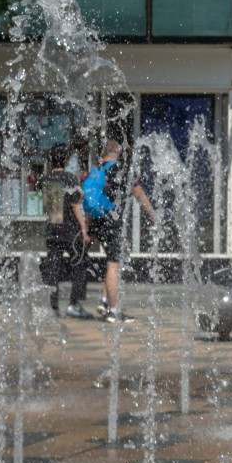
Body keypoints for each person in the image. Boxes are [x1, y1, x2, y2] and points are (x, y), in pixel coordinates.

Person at [86, 138, 156, 324]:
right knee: (113, 266)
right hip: (113, 223)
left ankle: (104, 301)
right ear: (116, 151)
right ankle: (114, 311)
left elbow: (89, 200)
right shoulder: (121, 170)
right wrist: (153, 216)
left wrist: (88, 228)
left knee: (112, 262)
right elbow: (139, 193)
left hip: (98, 222)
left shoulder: (97, 171)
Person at [40, 143, 93, 318]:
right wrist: (84, 228)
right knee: (80, 263)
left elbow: (49, 209)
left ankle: (53, 306)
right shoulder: (70, 178)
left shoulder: (46, 179)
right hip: (71, 231)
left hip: (53, 229)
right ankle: (74, 304)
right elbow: (75, 205)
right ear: (66, 159)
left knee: (53, 267)